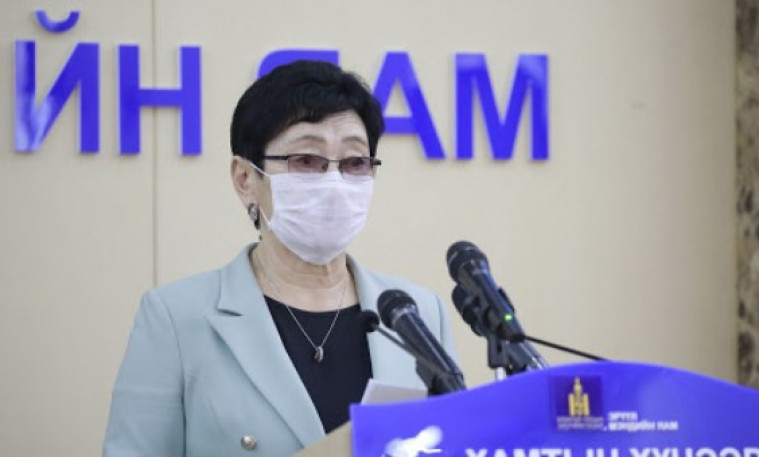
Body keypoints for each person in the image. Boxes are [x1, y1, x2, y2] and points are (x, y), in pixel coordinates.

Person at [103, 60, 457, 457]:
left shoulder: (417, 314)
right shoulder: (176, 319)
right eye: (306, 160)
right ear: (245, 179)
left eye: (355, 162)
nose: (334, 183)